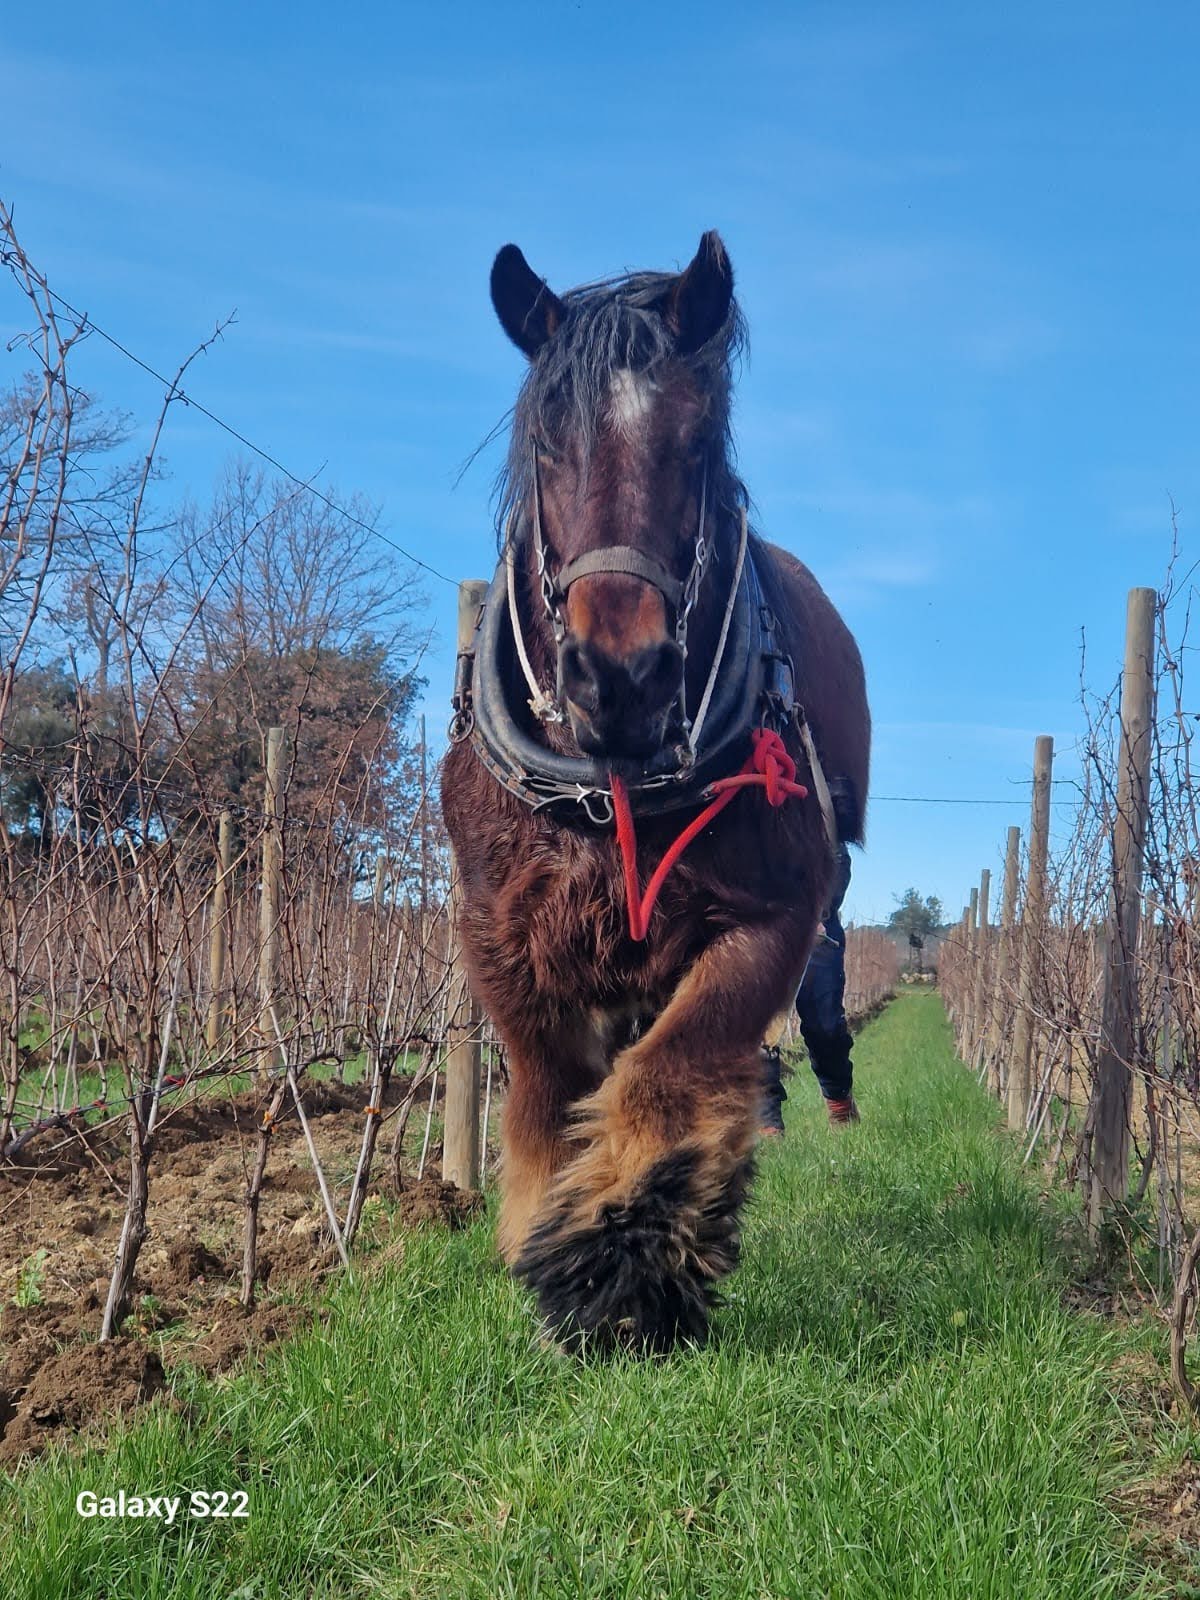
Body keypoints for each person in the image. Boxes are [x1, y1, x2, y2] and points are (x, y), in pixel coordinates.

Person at [760, 778, 860, 1133]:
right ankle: (767, 1122)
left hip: (818, 932)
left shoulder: (821, 799)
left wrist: (818, 912)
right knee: (759, 1027)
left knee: (825, 1026)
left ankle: (839, 1102)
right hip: (764, 931)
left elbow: (838, 863)